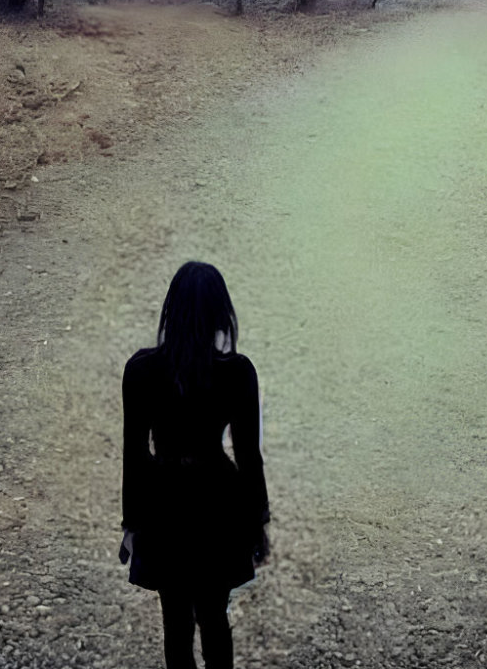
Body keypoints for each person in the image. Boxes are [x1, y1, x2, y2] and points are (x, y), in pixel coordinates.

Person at [120, 261, 270, 669]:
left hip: (163, 502)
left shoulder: (141, 370)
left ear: (171, 310)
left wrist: (130, 523)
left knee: (176, 622)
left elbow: (133, 455)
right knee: (213, 617)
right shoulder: (238, 373)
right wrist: (258, 522)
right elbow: (248, 455)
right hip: (218, 502)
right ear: (220, 314)